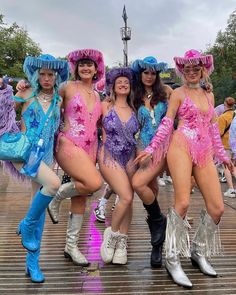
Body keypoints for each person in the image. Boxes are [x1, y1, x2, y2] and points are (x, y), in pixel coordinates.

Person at [134, 49, 233, 288]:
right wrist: (152, 148)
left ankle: (198, 251)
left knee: (217, 207)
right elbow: (168, 123)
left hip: (203, 149)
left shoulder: (209, 96)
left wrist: (222, 155)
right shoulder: (177, 93)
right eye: (187, 69)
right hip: (180, 146)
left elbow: (211, 128)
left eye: (195, 69)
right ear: (182, 72)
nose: (191, 73)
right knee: (183, 202)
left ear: (202, 70)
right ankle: (171, 256)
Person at [1, 54, 69, 283]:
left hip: (46, 155)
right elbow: (4, 107)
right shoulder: (26, 93)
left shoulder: (59, 99)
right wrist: (6, 88)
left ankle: (32, 263)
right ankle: (25, 224)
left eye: (51, 74)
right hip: (25, 151)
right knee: (54, 184)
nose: (47, 78)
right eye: (43, 74)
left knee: (38, 208)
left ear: (56, 76)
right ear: (37, 75)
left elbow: (58, 127)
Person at [47, 48, 104, 266]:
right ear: (76, 68)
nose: (86, 68)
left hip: (90, 149)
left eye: (90, 64)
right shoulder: (67, 87)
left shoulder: (98, 94)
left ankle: (71, 246)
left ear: (96, 68)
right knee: (94, 183)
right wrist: (26, 86)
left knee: (81, 195)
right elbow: (47, 97)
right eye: (82, 65)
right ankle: (57, 196)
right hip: (68, 143)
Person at [131, 56, 172, 268]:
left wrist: (205, 85)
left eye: (153, 73)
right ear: (140, 74)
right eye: (146, 72)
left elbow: (188, 95)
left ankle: (159, 221)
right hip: (142, 148)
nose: (149, 76)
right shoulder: (134, 95)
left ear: (157, 75)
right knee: (151, 191)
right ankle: (157, 246)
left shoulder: (166, 93)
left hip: (163, 148)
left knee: (138, 184)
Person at [99, 67, 139, 265]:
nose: (123, 84)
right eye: (119, 82)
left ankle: (122, 241)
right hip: (109, 155)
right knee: (126, 196)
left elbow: (164, 92)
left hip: (130, 156)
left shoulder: (135, 107)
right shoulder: (105, 105)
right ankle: (112, 235)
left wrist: (204, 87)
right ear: (113, 86)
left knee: (128, 201)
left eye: (127, 82)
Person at [217, 97, 236, 197]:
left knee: (227, 167)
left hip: (226, 145)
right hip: (235, 146)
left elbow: (219, 133)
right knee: (234, 166)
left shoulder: (223, 117)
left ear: (225, 104)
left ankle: (231, 189)